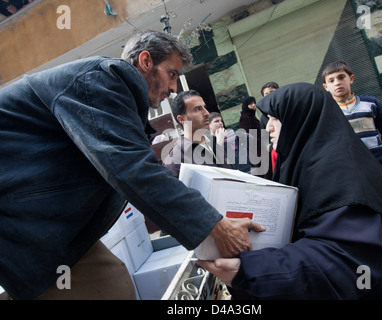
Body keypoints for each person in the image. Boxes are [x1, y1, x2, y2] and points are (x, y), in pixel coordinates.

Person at [0, 30, 264, 300]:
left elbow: (136, 166)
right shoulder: (102, 80)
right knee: (111, 287)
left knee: (110, 282)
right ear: (146, 61)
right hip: (23, 222)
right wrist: (216, 226)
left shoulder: (115, 94)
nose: (174, 88)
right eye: (172, 74)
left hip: (43, 226)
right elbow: (134, 170)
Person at [199, 83, 382, 299]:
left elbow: (347, 262)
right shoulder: (306, 160)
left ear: (300, 120)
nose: (268, 127)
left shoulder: (339, 171)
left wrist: (250, 269)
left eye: (274, 119)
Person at [322, 60, 382, 196]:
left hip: (381, 166)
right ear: (325, 86)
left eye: (341, 77)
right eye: (331, 80)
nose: (337, 83)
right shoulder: (326, 112)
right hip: (353, 172)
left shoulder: (371, 103)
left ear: (351, 78)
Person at [163, 91, 235, 178]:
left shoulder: (216, 142)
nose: (207, 113)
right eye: (197, 109)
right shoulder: (174, 161)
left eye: (205, 107)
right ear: (182, 119)